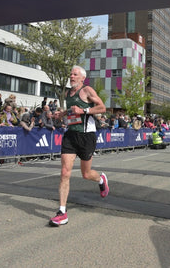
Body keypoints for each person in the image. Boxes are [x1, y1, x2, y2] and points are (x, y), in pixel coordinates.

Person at [49, 65, 108, 227]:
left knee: (86, 174)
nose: (71, 76)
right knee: (64, 172)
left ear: (82, 78)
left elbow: (102, 108)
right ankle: (62, 212)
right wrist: (63, 114)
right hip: (70, 135)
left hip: (86, 137)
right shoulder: (68, 93)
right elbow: (72, 110)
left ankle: (101, 179)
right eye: (71, 74)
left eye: (75, 74)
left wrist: (83, 111)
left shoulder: (87, 90)